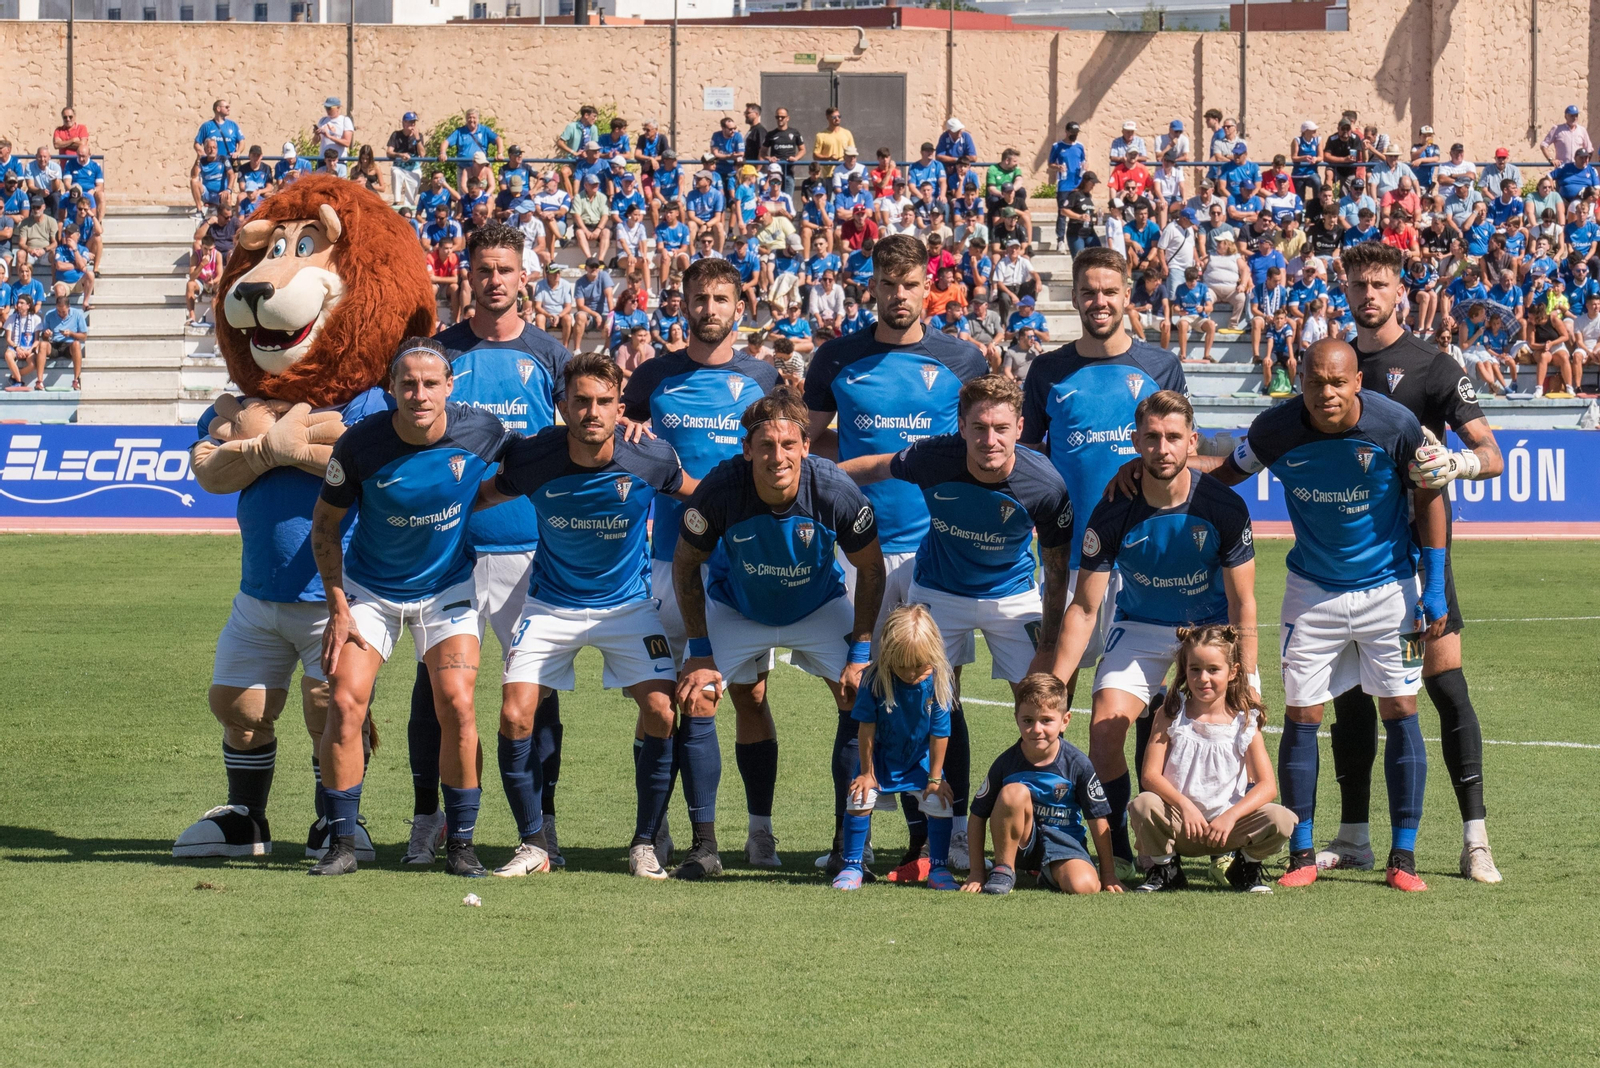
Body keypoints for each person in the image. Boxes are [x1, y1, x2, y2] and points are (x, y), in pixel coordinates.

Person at [1205, 339, 1448, 891]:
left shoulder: (1398, 426)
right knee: (1302, 715)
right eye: (1315, 382)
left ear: (1357, 381)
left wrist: (1433, 588)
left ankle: (1402, 858)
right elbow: (1227, 474)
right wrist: (1156, 482)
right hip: (1311, 593)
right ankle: (1303, 852)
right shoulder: (1276, 429)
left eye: (1337, 382)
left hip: (1391, 591)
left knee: (1401, 708)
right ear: (1299, 381)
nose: (1326, 393)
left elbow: (1431, 494)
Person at [802, 233, 988, 860]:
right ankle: (845, 838)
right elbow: (808, 440)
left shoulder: (963, 360)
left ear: (928, 289)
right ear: (872, 286)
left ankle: (947, 835)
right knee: (856, 691)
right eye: (889, 284)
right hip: (858, 550)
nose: (900, 296)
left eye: (912, 285)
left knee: (940, 692)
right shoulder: (834, 358)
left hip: (939, 551)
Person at [471, 353, 693, 880]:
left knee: (662, 712)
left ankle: (644, 843)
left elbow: (702, 496)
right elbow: (477, 498)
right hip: (551, 605)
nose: (592, 412)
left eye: (604, 402)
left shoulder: (651, 457)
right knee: (514, 714)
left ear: (621, 407)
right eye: (581, 401)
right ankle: (533, 845)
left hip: (629, 605)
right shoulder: (533, 458)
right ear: (562, 405)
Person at [392, 222, 573, 865]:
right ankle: (427, 817)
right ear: (466, 275)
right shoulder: (439, 356)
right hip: (450, 550)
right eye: (483, 269)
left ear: (524, 275)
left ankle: (541, 822)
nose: (493, 280)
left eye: (505, 269)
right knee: (433, 689)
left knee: (533, 692)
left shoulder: (551, 356)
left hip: (529, 547)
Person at [306, 340, 512, 878]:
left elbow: (543, 458)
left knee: (458, 705)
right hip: (370, 592)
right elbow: (325, 526)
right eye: (407, 384)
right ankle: (342, 843)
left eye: (430, 383)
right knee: (346, 702)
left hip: (447, 590)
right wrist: (337, 605)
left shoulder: (483, 430)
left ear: (450, 386)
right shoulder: (360, 445)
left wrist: (627, 427)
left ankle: (462, 844)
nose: (419, 394)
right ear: (391, 389)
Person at [673, 387, 885, 873]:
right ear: (746, 449)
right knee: (700, 694)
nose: (777, 456)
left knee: (860, 693)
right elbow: (686, 567)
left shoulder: (833, 489)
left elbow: (871, 571)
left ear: (806, 447)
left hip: (817, 605)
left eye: (788, 445)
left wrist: (861, 649)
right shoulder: (722, 489)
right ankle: (712, 847)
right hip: (738, 607)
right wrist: (702, 652)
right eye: (765, 446)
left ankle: (848, 845)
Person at [1051, 389, 1257, 881]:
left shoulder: (1223, 507)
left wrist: (1245, 675)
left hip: (1208, 630)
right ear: (1135, 441)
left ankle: (1232, 845)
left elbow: (1243, 601)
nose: (1162, 448)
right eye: (1151, 437)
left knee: (1236, 733)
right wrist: (1056, 690)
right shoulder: (1112, 510)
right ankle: (1125, 844)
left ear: (1192, 440)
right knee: (1105, 727)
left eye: (1172, 437)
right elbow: (1083, 607)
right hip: (1140, 627)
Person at [620, 259, 783, 875]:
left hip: (744, 563)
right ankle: (655, 828)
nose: (710, 308)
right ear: (682, 304)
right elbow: (621, 435)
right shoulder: (652, 378)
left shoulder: (762, 377)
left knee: (750, 692)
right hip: (668, 561)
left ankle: (760, 830)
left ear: (739, 307)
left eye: (721, 298)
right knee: (664, 695)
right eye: (699, 298)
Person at [839, 371, 1073, 708]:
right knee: (922, 704)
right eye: (979, 427)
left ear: (1019, 429)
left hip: (1011, 595)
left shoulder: (1046, 487)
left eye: (1001, 428)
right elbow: (876, 467)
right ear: (962, 427)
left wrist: (1048, 647)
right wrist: (813, 477)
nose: (990, 440)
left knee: (1041, 704)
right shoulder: (934, 457)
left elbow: (1056, 571)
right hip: (939, 589)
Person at [1021, 245, 1188, 704]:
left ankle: (1149, 779)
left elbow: (1179, 452)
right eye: (1089, 292)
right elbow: (1028, 463)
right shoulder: (1047, 371)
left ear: (1127, 294)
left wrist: (1139, 463)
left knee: (1149, 692)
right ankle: (1052, 773)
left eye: (1110, 291)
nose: (1100, 301)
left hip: (1149, 557)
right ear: (1074, 297)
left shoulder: (1161, 367)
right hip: (1070, 555)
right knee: (1057, 673)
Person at [1130, 625, 1292, 894]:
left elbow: (1267, 786)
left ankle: (1246, 868)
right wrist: (1185, 806)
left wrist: (1230, 816)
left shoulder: (1245, 719)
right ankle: (1166, 868)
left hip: (1227, 830)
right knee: (1143, 804)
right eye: (1195, 669)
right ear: (1185, 669)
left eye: (1213, 670)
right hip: (1181, 824)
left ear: (1233, 672)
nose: (1203, 678)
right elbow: (1149, 775)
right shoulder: (1171, 712)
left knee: (1281, 818)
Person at [960, 673, 1121, 895]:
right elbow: (977, 816)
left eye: (1046, 720)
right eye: (1028, 720)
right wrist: (977, 872)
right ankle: (1004, 869)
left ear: (1065, 721)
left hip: (1064, 841)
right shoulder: (1006, 763)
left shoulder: (1078, 764)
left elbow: (1097, 818)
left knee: (1084, 887)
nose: (1036, 729)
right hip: (1022, 843)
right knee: (1012, 793)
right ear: (1016, 718)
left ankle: (1047, 873)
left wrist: (1109, 874)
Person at [835, 603, 958, 891]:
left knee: (939, 801)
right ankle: (852, 866)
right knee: (860, 798)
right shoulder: (875, 679)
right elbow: (866, 727)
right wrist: (867, 772)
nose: (912, 673)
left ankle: (939, 868)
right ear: (888, 655)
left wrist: (935, 778)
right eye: (902, 665)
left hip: (921, 760)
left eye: (919, 665)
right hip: (881, 759)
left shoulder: (939, 679)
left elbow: (940, 732)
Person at [386, 111, 424, 209]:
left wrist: (417, 139)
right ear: (404, 123)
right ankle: (397, 201)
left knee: (410, 199)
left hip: (413, 168)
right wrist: (400, 154)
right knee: (396, 173)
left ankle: (408, 207)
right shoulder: (396, 135)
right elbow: (389, 152)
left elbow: (422, 154)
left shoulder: (419, 136)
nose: (413, 124)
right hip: (399, 166)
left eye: (414, 122)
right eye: (410, 122)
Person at [196, 98, 243, 164]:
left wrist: (238, 152)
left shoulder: (233, 125)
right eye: (226, 107)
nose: (229, 109)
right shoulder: (207, 126)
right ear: (218, 108)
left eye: (229, 107)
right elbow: (197, 143)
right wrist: (203, 154)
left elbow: (242, 141)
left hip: (229, 163)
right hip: (212, 164)